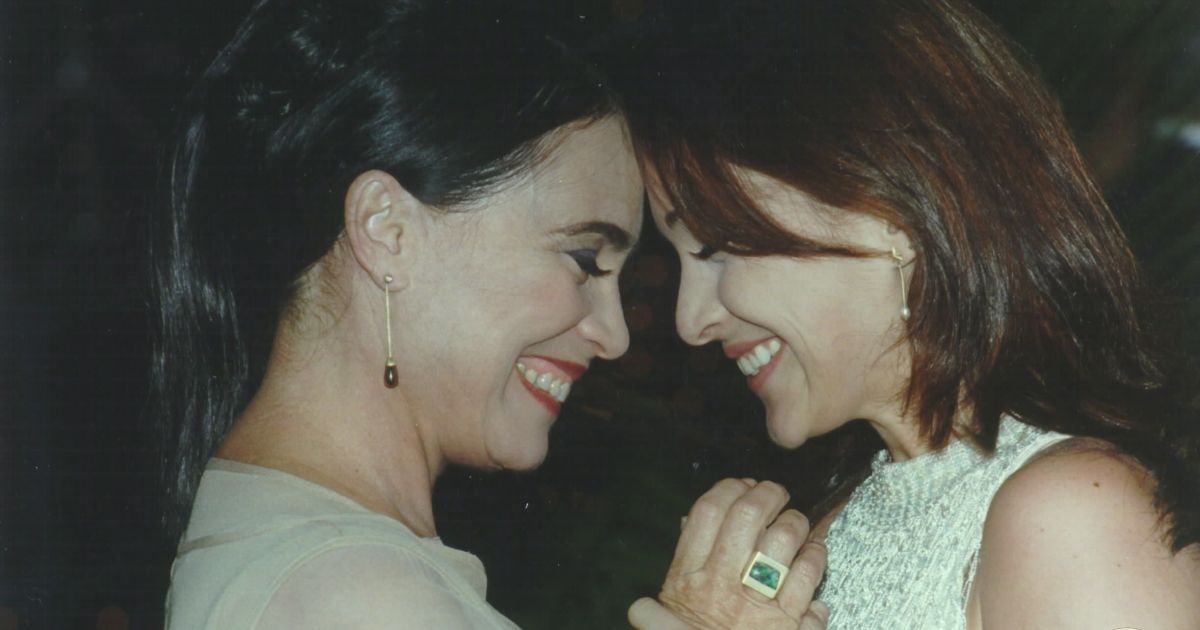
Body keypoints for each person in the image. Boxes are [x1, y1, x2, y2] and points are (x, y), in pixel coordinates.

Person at [619, 0, 1200, 628]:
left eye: (714, 244)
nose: (691, 321)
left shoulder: (1073, 517)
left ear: (888, 208)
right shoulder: (833, 529)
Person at [149, 1, 643, 627]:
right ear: (388, 230)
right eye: (584, 259)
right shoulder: (361, 595)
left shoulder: (291, 544)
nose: (615, 335)